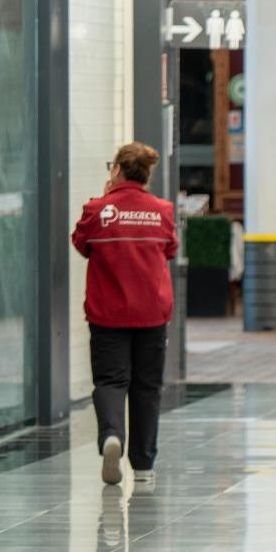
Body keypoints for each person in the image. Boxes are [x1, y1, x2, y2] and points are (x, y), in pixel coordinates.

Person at [71, 143, 177, 489]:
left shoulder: (98, 210)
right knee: (147, 387)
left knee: (111, 382)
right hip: (151, 314)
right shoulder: (161, 210)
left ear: (116, 169)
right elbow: (171, 249)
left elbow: (80, 244)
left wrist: (104, 201)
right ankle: (144, 465)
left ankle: (112, 437)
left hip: (108, 315)